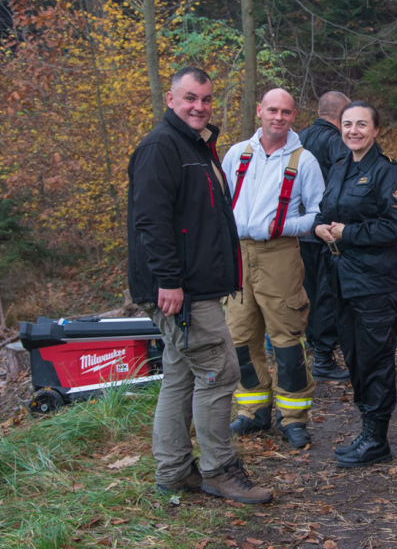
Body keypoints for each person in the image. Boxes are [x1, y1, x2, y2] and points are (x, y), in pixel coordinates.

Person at [127, 66, 272, 503]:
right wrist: (169, 282)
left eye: (206, 99)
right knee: (218, 372)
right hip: (182, 292)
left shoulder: (195, 146)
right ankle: (218, 470)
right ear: (171, 100)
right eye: (190, 98)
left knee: (180, 375)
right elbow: (151, 223)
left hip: (195, 288)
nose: (199, 107)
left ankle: (173, 471)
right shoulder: (161, 148)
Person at [222, 88, 324, 449]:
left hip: (280, 253)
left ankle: (293, 417)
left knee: (285, 338)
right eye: (271, 111)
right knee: (238, 337)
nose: (277, 117)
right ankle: (253, 411)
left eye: (285, 112)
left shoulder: (304, 160)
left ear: (294, 115)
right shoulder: (236, 155)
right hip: (237, 254)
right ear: (259, 112)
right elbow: (221, 204)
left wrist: (281, 227)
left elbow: (317, 215)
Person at [314, 100, 397, 467]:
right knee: (354, 357)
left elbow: (395, 226)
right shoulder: (340, 167)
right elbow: (327, 212)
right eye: (347, 124)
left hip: (374, 282)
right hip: (340, 279)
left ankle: (376, 438)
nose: (353, 130)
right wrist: (320, 226)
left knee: (374, 359)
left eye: (361, 124)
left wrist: (348, 232)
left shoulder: (390, 174)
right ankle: (366, 428)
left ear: (376, 130)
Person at [297, 91, 351, 381]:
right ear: (340, 114)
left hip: (300, 229)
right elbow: (343, 181)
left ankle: (313, 347)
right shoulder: (336, 142)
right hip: (327, 230)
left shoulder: (298, 138)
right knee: (327, 294)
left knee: (307, 293)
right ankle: (324, 357)